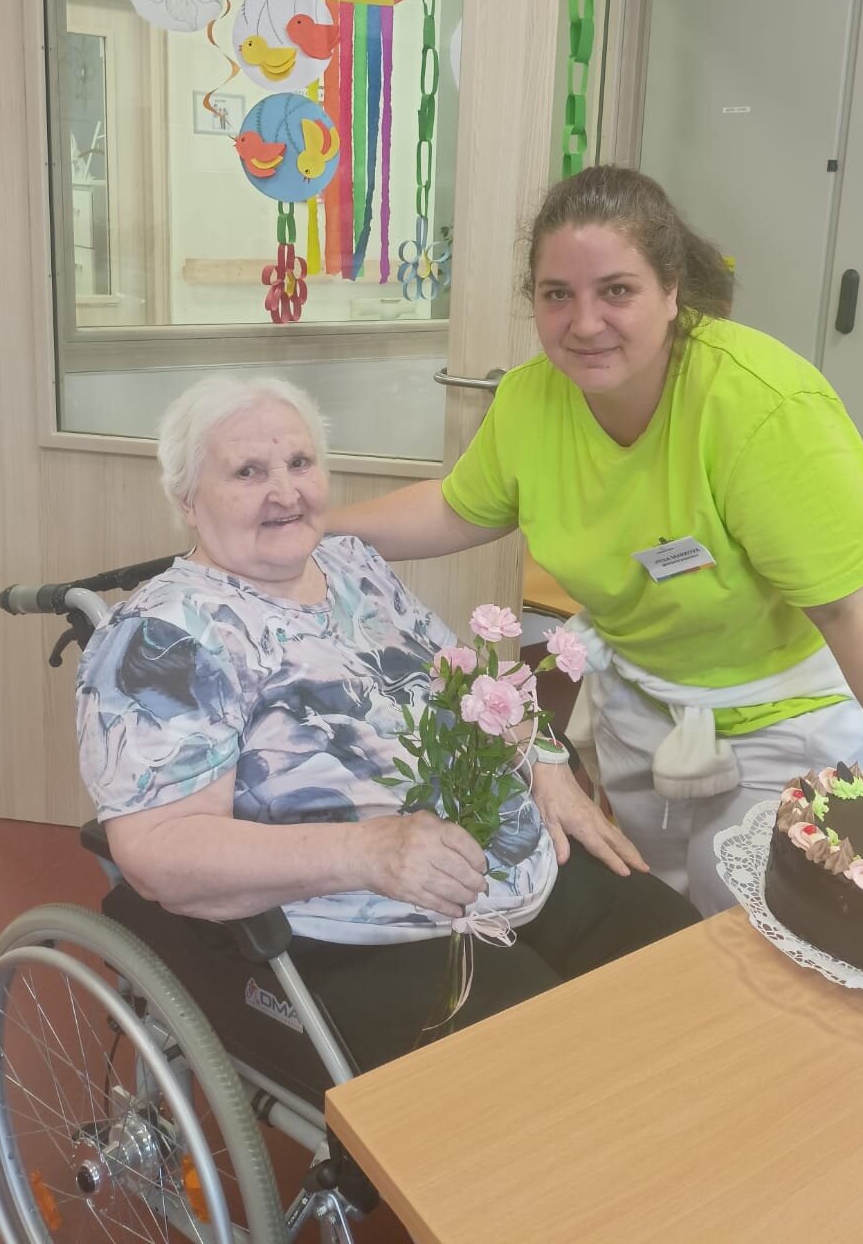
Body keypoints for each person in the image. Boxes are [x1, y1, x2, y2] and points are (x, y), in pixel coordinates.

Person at [327, 165, 863, 917]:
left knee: (750, 922)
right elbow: (457, 508)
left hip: (785, 713)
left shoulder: (762, 409)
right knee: (660, 911)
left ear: (672, 291)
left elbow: (855, 611)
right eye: (557, 294)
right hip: (643, 701)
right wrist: (314, 526)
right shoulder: (532, 400)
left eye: (617, 290)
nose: (584, 323)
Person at [76, 373, 695, 1071]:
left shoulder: (349, 563)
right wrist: (367, 852)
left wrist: (544, 759)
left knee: (683, 966)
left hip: (503, 857)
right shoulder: (166, 636)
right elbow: (158, 851)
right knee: (558, 1069)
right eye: (248, 472)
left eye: (300, 463)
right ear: (187, 499)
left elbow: (463, 680)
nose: (286, 492)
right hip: (351, 922)